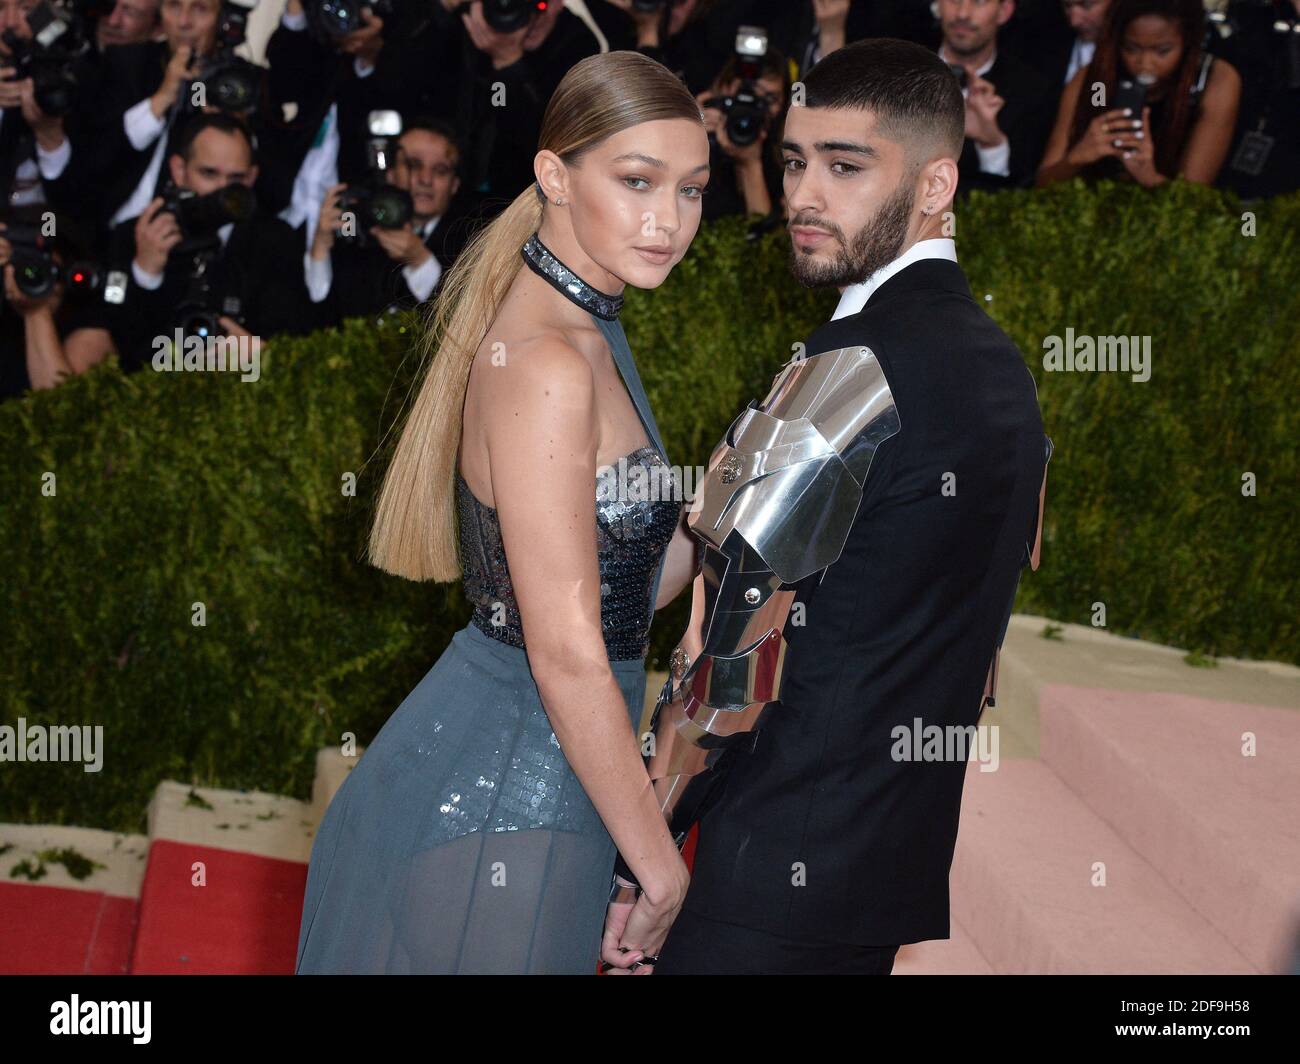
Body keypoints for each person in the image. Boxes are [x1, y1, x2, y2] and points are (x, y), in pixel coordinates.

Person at [610, 37, 1049, 975]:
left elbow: (727, 661)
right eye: (794, 162)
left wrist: (638, 861)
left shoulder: (849, 369)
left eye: (845, 167)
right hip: (871, 874)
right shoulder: (1005, 372)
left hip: (763, 869)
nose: (804, 195)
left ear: (936, 184)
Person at [294, 50, 711, 975]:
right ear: (554, 173)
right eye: (638, 181)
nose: (668, 221)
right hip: (488, 805)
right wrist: (658, 870)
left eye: (691, 190)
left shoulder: (589, 324)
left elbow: (622, 600)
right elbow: (565, 656)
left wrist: (736, 501)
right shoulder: (548, 363)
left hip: (542, 788)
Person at [1036, 0, 1241, 187]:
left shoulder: (1215, 81)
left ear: (1189, 44)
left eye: (1162, 51)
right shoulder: (1096, 79)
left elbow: (1194, 200)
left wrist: (1148, 176)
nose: (1145, 64)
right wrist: (1079, 156)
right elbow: (1043, 182)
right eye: (1131, 48)